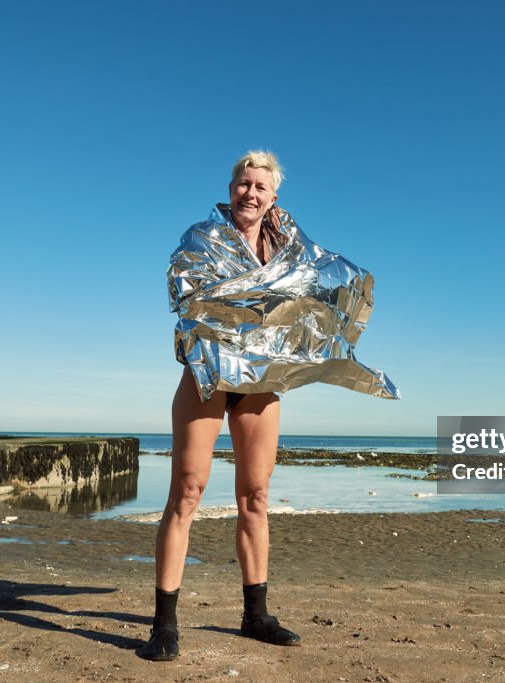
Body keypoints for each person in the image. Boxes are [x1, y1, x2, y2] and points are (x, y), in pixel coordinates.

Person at [138, 151, 301, 661]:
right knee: (186, 492)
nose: (250, 193)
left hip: (259, 380)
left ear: (273, 197)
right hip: (208, 374)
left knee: (255, 494)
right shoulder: (202, 238)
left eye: (260, 187)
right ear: (230, 189)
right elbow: (183, 294)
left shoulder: (288, 248)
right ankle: (164, 625)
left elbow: (306, 298)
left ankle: (257, 616)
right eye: (243, 184)